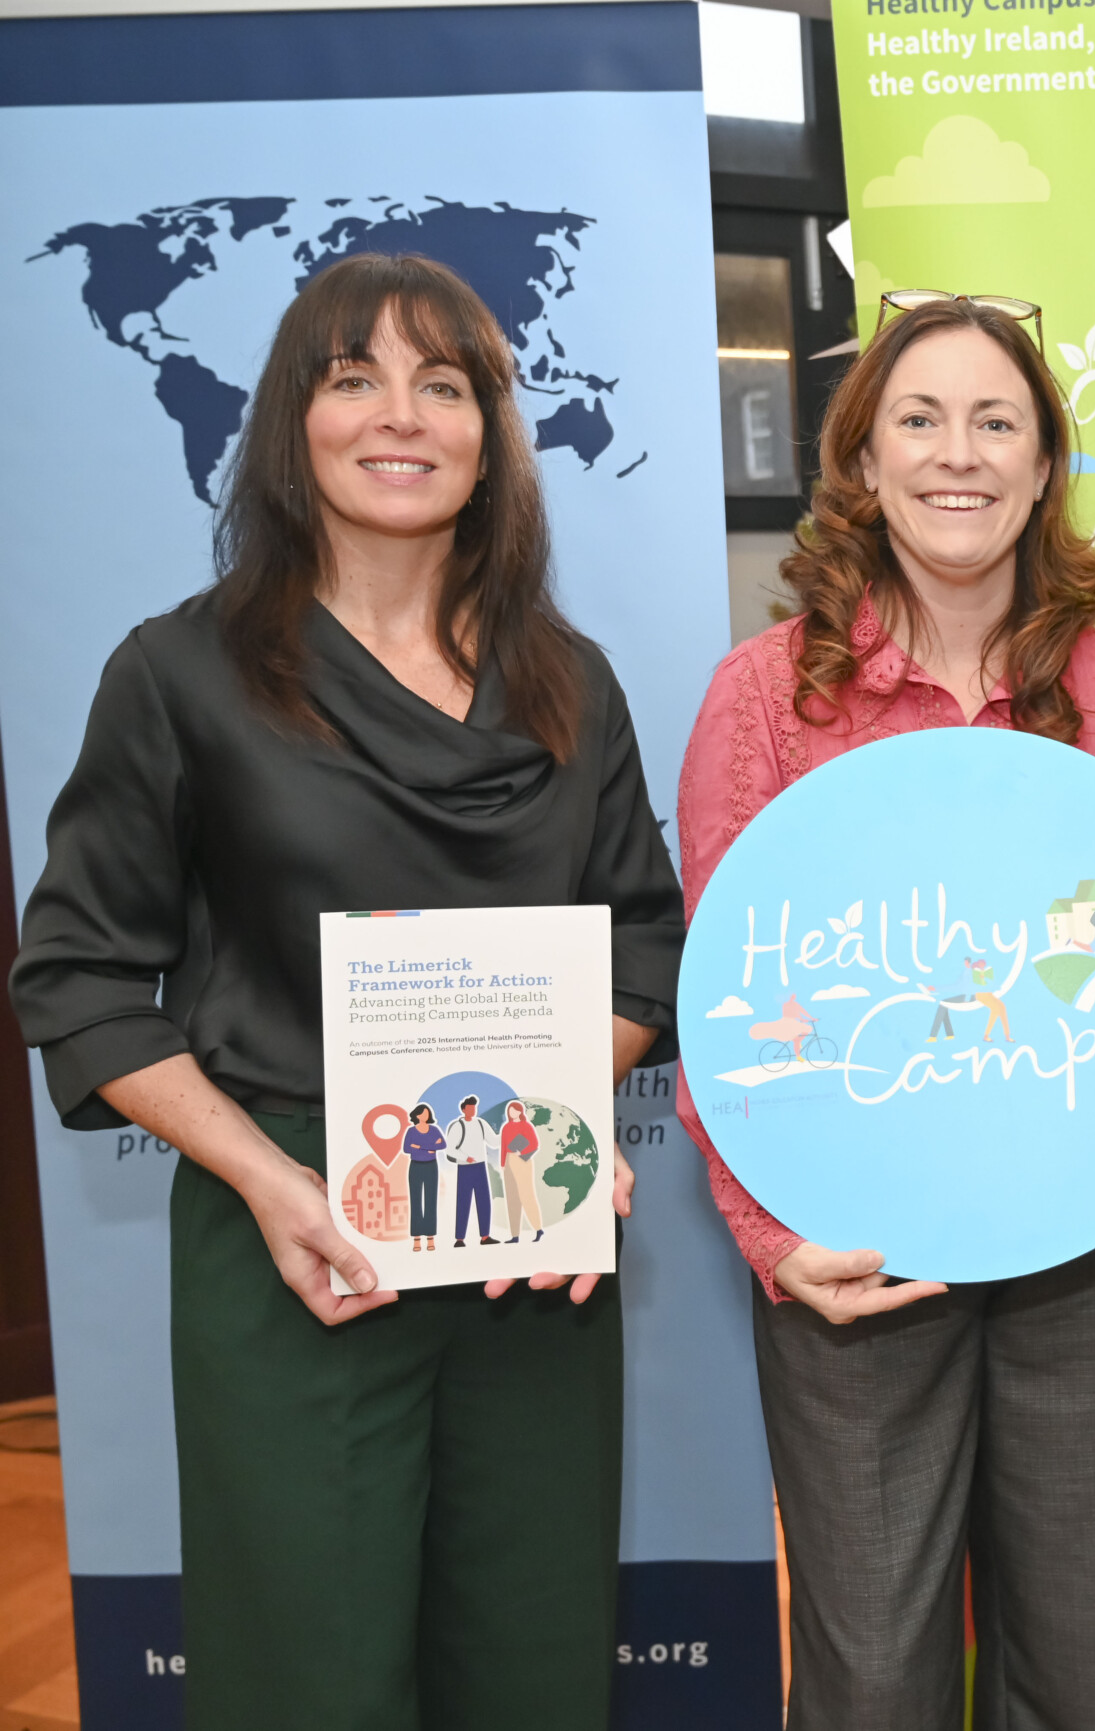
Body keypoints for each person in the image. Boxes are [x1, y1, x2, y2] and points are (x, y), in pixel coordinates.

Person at [7, 252, 682, 1731]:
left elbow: (646, 943)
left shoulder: (570, 678)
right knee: (306, 1672)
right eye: (354, 376)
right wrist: (264, 1177)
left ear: (493, 430)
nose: (403, 414)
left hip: (526, 1245)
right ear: (289, 421)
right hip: (299, 1247)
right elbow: (79, 971)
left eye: (445, 384)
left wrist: (555, 1111)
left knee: (533, 1660)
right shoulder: (180, 675)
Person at [670, 292, 1095, 1730]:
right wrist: (773, 1237)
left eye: (998, 421)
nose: (959, 454)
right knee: (874, 1672)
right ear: (863, 460)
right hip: (854, 1249)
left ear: (1046, 464)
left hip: (1089, 1246)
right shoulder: (760, 701)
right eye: (918, 419)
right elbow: (726, 995)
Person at [445, 1092, 500, 1246]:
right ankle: (460, 1238)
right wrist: (465, 1157)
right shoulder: (457, 1126)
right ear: (463, 1109)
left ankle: (485, 1236)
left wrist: (508, 1134)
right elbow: (450, 1150)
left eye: (474, 1108)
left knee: (484, 1201)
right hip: (465, 1168)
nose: (473, 1111)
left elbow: (494, 1141)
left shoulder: (481, 1123)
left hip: (480, 1166)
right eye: (469, 1109)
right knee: (463, 1202)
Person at [500, 1098, 545, 1244]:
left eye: (514, 1109)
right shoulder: (506, 1127)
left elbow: (535, 1143)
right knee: (512, 1197)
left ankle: (538, 1228)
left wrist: (522, 1152)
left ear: (520, 1111)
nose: (512, 1112)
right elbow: (504, 1145)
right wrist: (502, 1163)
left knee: (527, 1195)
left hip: (523, 1161)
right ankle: (515, 1235)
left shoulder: (526, 1126)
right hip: (508, 1160)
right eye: (510, 1110)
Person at [403, 1103, 446, 1254]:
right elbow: (407, 1148)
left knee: (430, 1200)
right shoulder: (411, 1130)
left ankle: (430, 1237)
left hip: (431, 1166)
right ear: (417, 1115)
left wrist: (419, 1146)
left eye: (427, 1113)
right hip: (415, 1166)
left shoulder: (434, 1129)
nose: (426, 1115)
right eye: (423, 1113)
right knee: (415, 1201)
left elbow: (443, 1144)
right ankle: (416, 1238)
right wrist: (428, 1146)